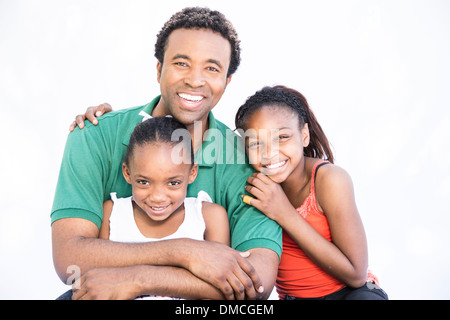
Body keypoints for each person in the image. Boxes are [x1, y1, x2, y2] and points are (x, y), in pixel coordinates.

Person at [51, 7, 281, 300]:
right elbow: (70, 260)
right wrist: (185, 251)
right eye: (182, 63)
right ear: (159, 69)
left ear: (226, 81)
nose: (195, 80)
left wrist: (142, 279)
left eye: (211, 68)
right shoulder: (95, 135)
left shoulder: (246, 159)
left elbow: (257, 282)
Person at [234, 85, 388, 300]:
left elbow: (356, 274)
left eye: (282, 137)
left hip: (351, 294)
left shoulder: (329, 179)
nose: (269, 153)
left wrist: (284, 213)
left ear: (304, 135)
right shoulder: (253, 187)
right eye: (256, 143)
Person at [93, 116, 229, 300]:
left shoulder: (209, 217)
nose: (157, 197)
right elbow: (99, 282)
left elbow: (222, 289)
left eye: (173, 183)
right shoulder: (112, 214)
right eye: (143, 182)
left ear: (192, 172)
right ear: (127, 173)